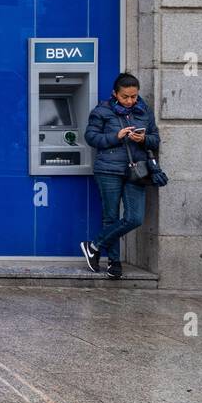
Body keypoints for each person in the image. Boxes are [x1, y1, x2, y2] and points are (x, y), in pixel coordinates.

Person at [81, 72, 161, 279]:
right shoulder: (102, 111)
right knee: (111, 217)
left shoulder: (144, 111)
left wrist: (144, 139)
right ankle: (114, 263)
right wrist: (115, 136)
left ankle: (94, 245)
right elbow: (91, 137)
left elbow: (155, 138)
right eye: (125, 96)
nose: (130, 100)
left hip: (136, 171)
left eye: (134, 96)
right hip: (108, 169)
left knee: (134, 218)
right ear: (115, 93)